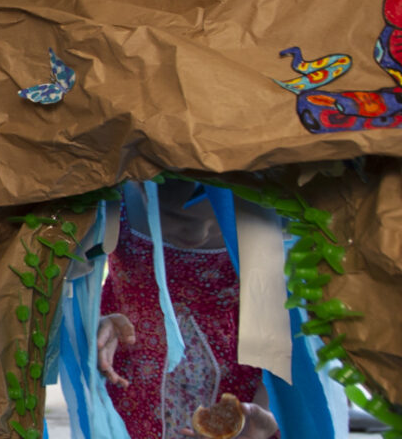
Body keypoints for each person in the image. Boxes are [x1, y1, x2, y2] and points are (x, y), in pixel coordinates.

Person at [95, 181, 279, 439]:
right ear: (139, 185)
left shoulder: (262, 221)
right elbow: (70, 290)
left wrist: (263, 411)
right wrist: (97, 322)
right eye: (177, 217)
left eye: (218, 222)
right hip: (129, 389)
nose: (198, 234)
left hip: (236, 392)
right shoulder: (112, 203)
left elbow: (281, 341)